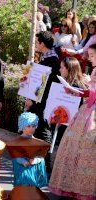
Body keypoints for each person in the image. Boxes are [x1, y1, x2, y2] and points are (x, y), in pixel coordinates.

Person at [48, 43, 96, 200]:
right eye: (89, 55)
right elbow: (90, 94)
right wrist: (76, 92)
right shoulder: (94, 70)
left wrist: (87, 90)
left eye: (93, 55)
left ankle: (87, 189)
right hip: (87, 111)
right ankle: (75, 186)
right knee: (73, 145)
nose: (90, 58)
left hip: (92, 116)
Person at [26, 31, 60, 174]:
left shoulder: (52, 60)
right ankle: (41, 163)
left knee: (44, 131)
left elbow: (43, 86)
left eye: (37, 42)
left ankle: (46, 164)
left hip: (44, 102)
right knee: (39, 131)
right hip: (40, 101)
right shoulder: (47, 58)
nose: (36, 45)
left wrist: (32, 100)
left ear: (42, 43)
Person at [6, 112, 50, 200]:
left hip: (32, 170)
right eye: (28, 126)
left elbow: (41, 156)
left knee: (32, 187)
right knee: (23, 187)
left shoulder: (39, 143)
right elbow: (14, 155)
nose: (31, 129)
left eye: (33, 126)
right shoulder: (15, 143)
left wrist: (36, 160)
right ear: (22, 126)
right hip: (22, 171)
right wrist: (21, 161)